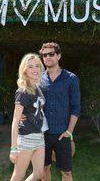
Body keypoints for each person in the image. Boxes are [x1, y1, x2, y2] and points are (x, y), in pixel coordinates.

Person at [39, 42, 81, 181]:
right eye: (45, 55)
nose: (47, 57)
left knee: (66, 172)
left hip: (63, 134)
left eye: (51, 54)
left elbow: (76, 107)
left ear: (59, 56)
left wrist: (69, 131)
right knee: (44, 169)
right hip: (42, 134)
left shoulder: (71, 78)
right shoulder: (38, 79)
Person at [9, 53, 48, 181]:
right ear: (24, 70)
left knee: (39, 174)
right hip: (26, 137)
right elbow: (15, 120)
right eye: (30, 66)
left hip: (39, 136)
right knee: (18, 176)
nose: (35, 69)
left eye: (37, 66)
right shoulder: (23, 91)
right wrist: (13, 148)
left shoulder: (37, 87)